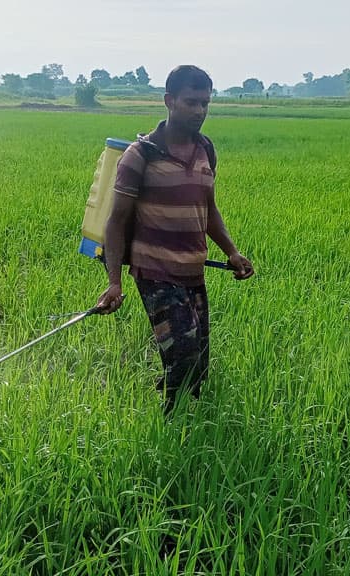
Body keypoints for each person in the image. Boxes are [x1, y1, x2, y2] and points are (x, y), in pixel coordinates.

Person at [95, 64, 254, 413]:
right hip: (155, 272)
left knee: (198, 363)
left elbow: (208, 209)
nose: (199, 111)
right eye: (191, 102)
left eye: (205, 103)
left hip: (193, 272)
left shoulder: (205, 150)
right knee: (183, 355)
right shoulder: (141, 156)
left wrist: (232, 252)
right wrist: (114, 283)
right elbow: (116, 221)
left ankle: (188, 419)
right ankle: (171, 424)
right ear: (169, 101)